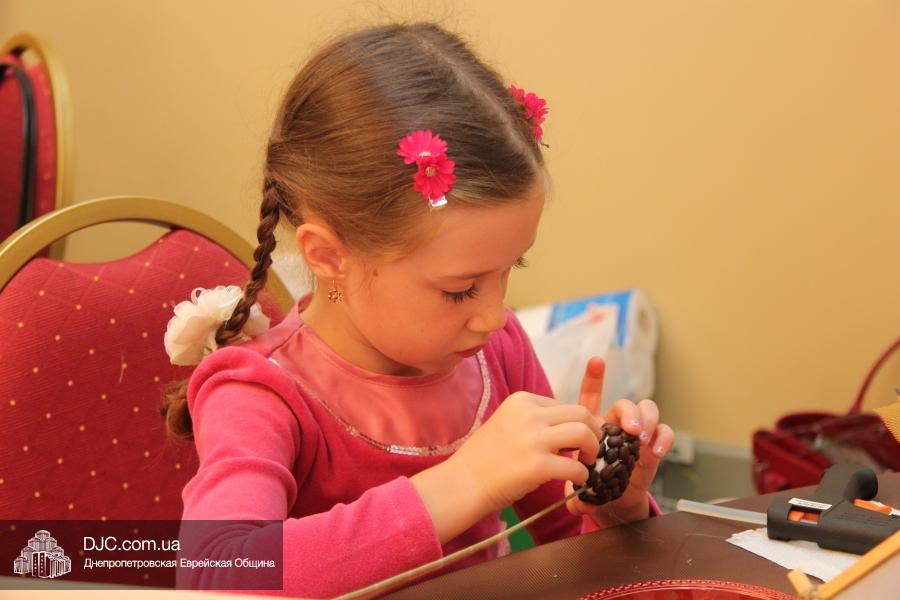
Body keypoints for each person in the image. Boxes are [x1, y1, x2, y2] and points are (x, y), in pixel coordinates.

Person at [161, 22, 673, 598]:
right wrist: (466, 482)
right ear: (329, 257)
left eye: (512, 268)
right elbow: (219, 575)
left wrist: (613, 509)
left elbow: (568, 553)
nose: (495, 316)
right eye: (461, 289)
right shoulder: (259, 393)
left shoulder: (497, 352)